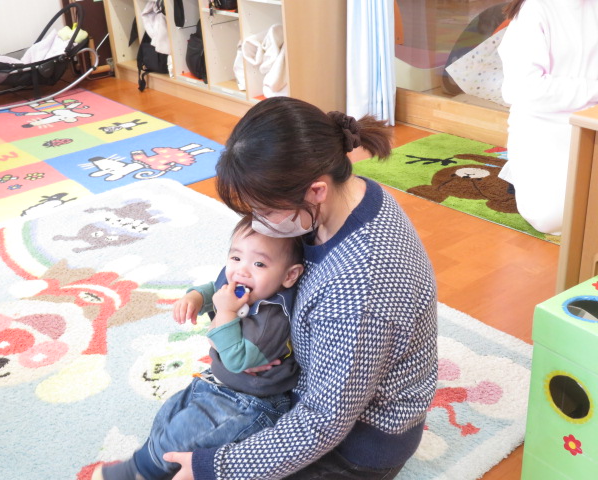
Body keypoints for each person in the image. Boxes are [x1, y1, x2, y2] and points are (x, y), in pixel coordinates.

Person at [163, 96, 438, 479]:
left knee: (196, 463)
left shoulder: (360, 285)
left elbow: (324, 420)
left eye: (266, 211)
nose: (258, 224)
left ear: (316, 190)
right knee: (176, 435)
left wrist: (217, 468)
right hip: (298, 383)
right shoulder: (345, 196)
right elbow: (256, 267)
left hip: (353, 444)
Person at [93, 215, 304, 480]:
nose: (242, 270)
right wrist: (195, 297)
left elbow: (236, 360)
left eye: (259, 263)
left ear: (289, 275)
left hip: (252, 402)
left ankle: (139, 471)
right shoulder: (240, 282)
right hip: (217, 382)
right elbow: (215, 289)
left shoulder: (271, 319)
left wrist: (225, 312)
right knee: (171, 413)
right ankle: (162, 464)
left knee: (187, 430)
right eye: (236, 257)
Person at [497, 0, 598, 234]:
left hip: (592, 117)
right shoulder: (535, 9)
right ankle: (522, 172)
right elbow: (523, 89)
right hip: (544, 124)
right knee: (555, 219)